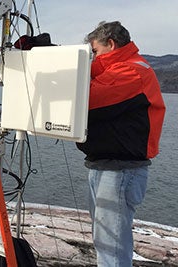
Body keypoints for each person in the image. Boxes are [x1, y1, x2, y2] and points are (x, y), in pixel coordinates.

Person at [76, 21, 166, 266]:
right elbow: (92, 76)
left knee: (111, 247)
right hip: (105, 167)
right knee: (104, 242)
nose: (92, 58)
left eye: (94, 52)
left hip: (120, 170)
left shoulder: (133, 72)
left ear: (111, 44)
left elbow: (88, 98)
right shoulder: (120, 70)